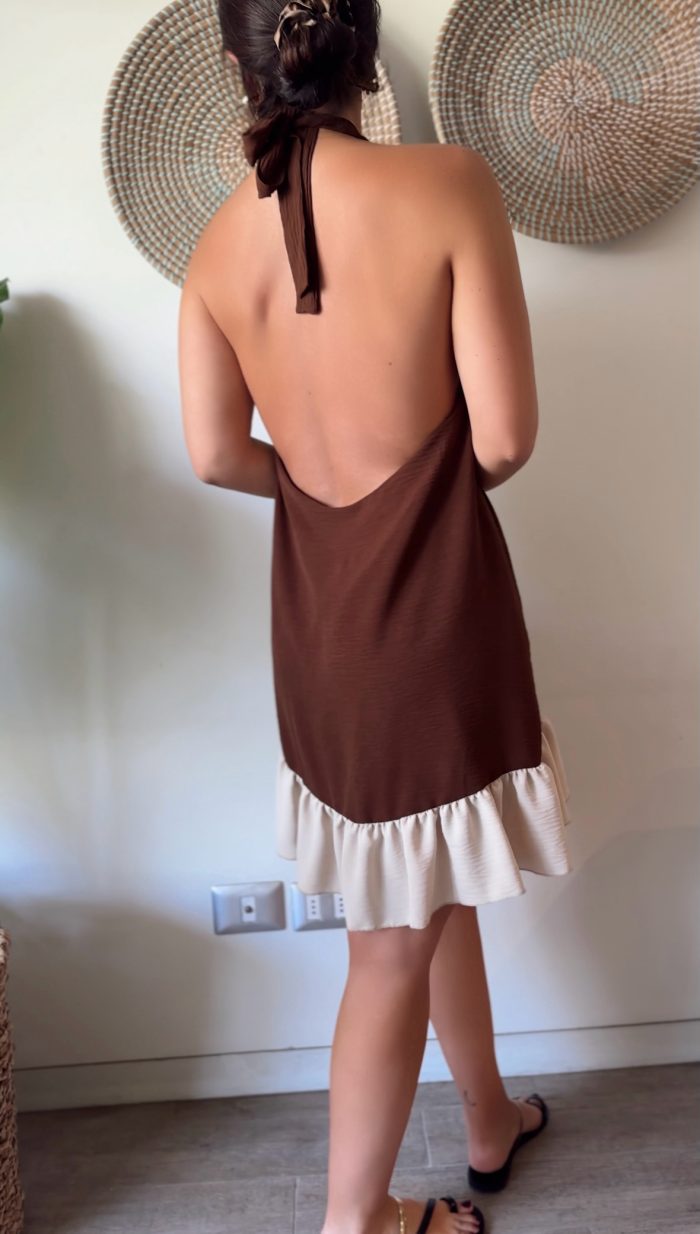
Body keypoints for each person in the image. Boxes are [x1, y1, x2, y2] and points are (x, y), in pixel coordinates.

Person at [178, 3, 573, 1232]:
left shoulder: (210, 251)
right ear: (363, 45)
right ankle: (357, 1222)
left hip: (318, 626)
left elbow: (213, 455)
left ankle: (488, 1116)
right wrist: (411, 492)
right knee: (391, 939)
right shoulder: (446, 184)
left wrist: (323, 492)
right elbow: (504, 437)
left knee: (416, 885)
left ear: (235, 63)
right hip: (433, 608)